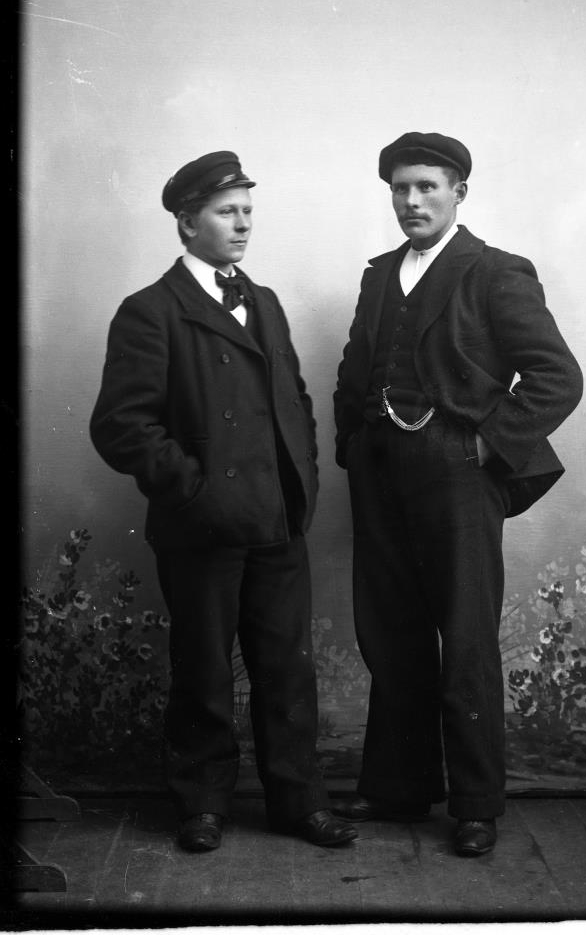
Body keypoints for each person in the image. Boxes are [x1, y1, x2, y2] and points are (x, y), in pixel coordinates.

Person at [90, 150, 356, 853]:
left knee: (288, 671)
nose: (242, 225)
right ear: (187, 224)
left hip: (276, 521)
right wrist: (196, 491)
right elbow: (120, 426)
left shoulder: (263, 301)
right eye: (225, 212)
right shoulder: (151, 311)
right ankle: (201, 804)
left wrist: (301, 481)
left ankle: (299, 803)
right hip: (202, 529)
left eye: (247, 212)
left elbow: (294, 401)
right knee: (205, 672)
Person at [332, 131, 583, 856]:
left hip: (458, 474)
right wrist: (354, 442)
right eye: (400, 188)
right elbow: (355, 367)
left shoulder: (495, 271)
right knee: (390, 632)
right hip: (381, 472)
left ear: (458, 193)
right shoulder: (379, 275)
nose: (411, 201)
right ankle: (398, 787)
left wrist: (483, 445)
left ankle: (476, 803)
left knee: (466, 636)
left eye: (427, 187)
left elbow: (557, 376)